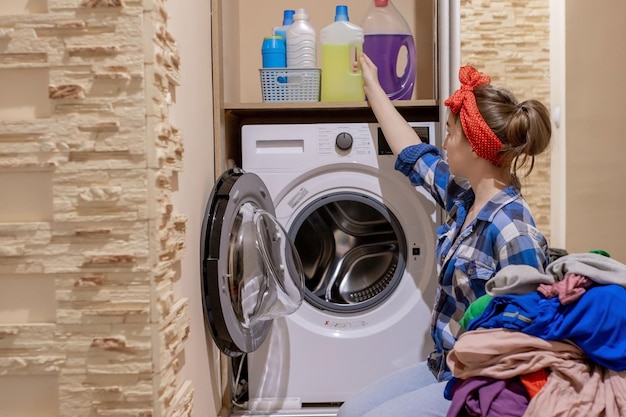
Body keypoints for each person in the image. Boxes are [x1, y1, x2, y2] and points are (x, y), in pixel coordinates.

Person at [336, 54, 553, 417]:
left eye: (451, 132)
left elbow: (531, 336)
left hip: (480, 383)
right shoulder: (463, 197)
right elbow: (413, 153)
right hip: (443, 367)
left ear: (474, 148)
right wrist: (372, 85)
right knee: (349, 412)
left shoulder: (513, 231)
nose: (445, 141)